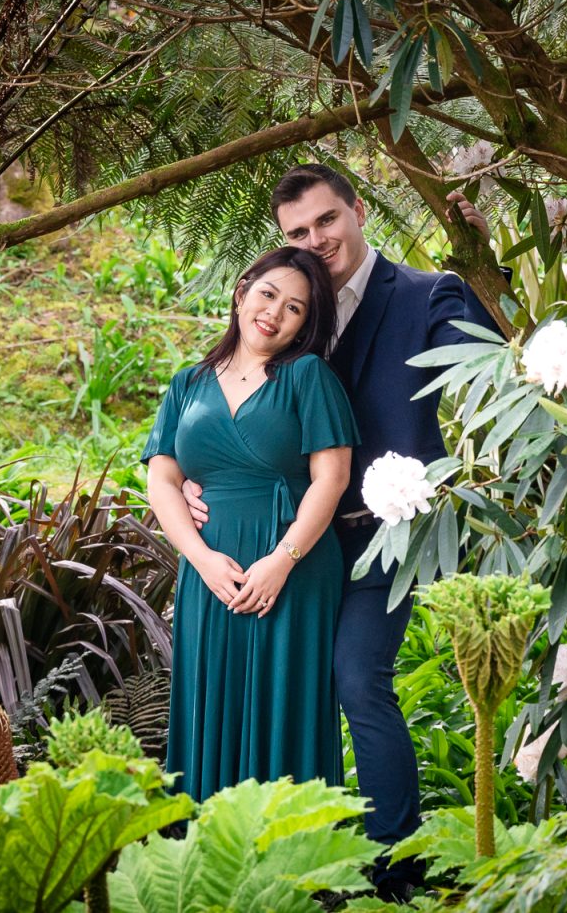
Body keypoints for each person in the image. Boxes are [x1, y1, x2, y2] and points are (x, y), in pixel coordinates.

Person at [182, 163, 500, 900]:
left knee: (357, 678)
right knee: (281, 688)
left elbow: (489, 363)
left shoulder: (427, 294)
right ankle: (283, 858)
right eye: (298, 231)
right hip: (289, 543)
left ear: (358, 209)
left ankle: (393, 869)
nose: (317, 239)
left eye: (327, 219)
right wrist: (201, 477)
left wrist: (482, 266)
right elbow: (233, 405)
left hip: (381, 537)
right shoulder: (287, 310)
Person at [142, 245, 360, 801]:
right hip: (209, 572)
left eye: (295, 308)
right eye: (268, 294)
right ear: (241, 294)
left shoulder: (308, 377)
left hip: (292, 568)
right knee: (210, 696)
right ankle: (210, 838)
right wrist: (201, 559)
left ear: (305, 325)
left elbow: (331, 478)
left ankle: (292, 841)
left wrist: (282, 561)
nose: (274, 313)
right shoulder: (187, 384)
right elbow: (162, 480)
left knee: (284, 703)